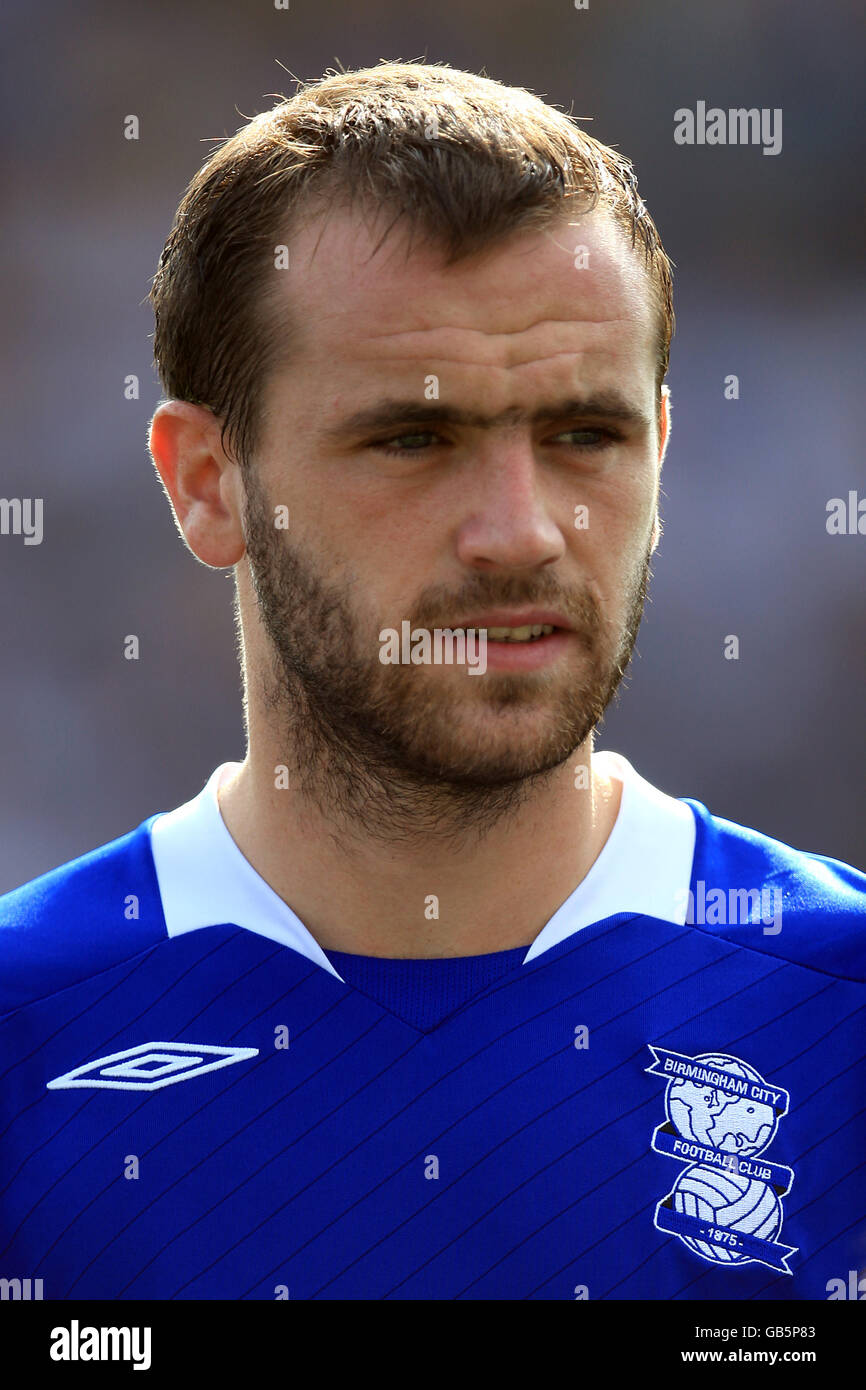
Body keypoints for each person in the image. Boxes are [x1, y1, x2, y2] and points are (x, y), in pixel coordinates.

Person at [1, 61, 863, 1302]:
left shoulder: (839, 1010)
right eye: (412, 438)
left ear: (660, 448)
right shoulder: (25, 1035)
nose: (519, 532)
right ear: (205, 480)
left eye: (583, 435)